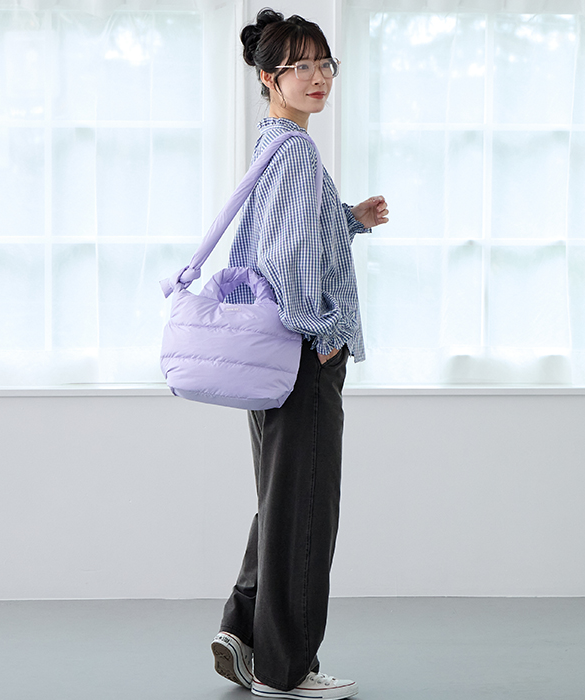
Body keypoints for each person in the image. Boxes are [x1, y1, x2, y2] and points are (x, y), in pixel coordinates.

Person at [210, 9, 389, 700]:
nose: (318, 78)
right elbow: (285, 259)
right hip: (302, 356)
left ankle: (244, 634)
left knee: (280, 501)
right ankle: (285, 671)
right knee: (306, 509)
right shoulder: (297, 154)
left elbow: (287, 237)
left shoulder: (272, 145)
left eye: (324, 64)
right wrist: (322, 333)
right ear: (268, 77)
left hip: (268, 357)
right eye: (301, 66)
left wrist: (349, 220)